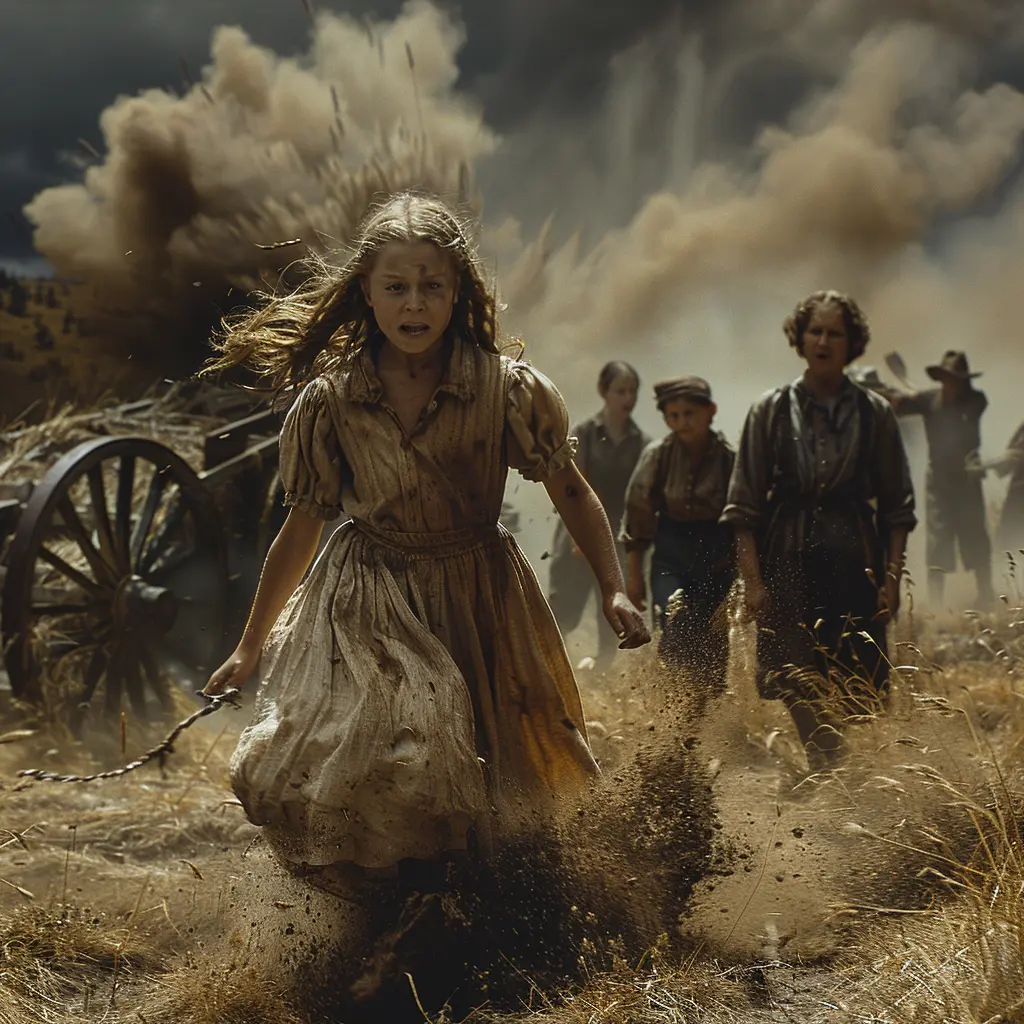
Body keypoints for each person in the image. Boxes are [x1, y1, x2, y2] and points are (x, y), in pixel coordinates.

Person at [201, 193, 650, 883]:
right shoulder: (332, 401)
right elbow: (301, 528)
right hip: (368, 598)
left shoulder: (507, 391)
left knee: (504, 764)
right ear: (367, 293)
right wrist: (251, 643)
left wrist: (615, 589)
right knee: (383, 756)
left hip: (480, 596)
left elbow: (571, 491)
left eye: (432, 287)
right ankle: (384, 907)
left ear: (458, 292)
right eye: (398, 287)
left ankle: (490, 907)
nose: (415, 305)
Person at [722, 290, 916, 772]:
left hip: (855, 554)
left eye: (836, 332)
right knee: (792, 671)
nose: (824, 340)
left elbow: (897, 507)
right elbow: (743, 504)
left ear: (852, 343)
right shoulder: (769, 410)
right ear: (800, 338)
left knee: (853, 678)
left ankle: (833, 768)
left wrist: (891, 579)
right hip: (788, 551)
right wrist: (753, 582)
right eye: (816, 331)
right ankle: (826, 763)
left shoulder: (876, 414)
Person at [622, 376, 735, 691]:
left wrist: (740, 575)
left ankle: (706, 711)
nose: (682, 423)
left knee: (712, 635)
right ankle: (676, 697)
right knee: (675, 620)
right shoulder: (657, 456)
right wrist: (633, 578)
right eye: (673, 416)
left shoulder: (728, 459)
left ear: (710, 411)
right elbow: (638, 514)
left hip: (716, 556)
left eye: (689, 414)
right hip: (671, 553)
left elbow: (741, 517)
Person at [547, 362, 649, 669]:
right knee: (565, 600)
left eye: (632, 391)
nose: (627, 398)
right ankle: (553, 664)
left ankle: (602, 668)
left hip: (616, 532)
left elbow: (638, 495)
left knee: (612, 605)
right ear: (604, 392)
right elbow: (573, 484)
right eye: (620, 391)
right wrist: (580, 537)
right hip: (578, 528)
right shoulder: (585, 434)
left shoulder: (641, 443)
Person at [886, 351, 994, 608]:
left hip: (967, 479)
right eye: (947, 378)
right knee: (938, 538)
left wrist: (923, 400)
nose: (951, 383)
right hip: (939, 482)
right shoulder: (928, 400)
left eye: (955, 379)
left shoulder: (975, 401)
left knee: (974, 532)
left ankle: (986, 593)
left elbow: (967, 414)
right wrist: (900, 399)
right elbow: (897, 405)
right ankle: (936, 605)